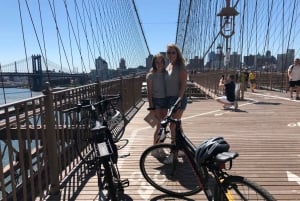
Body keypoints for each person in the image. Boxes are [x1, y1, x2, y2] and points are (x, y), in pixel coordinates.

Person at [163, 43, 188, 164]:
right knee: (177, 125)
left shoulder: (181, 67)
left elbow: (183, 86)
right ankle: (183, 148)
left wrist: (178, 102)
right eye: (168, 53)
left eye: (173, 52)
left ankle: (174, 154)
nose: (171, 55)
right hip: (170, 99)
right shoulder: (169, 66)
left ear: (177, 53)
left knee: (172, 126)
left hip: (178, 99)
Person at [146, 54, 168, 146]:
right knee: (159, 126)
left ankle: (160, 145)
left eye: (161, 62)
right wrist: (151, 107)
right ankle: (155, 148)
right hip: (157, 102)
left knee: (164, 126)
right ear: (154, 64)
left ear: (164, 63)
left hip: (166, 102)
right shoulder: (150, 76)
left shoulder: (167, 74)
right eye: (157, 62)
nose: (159, 64)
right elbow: (149, 92)